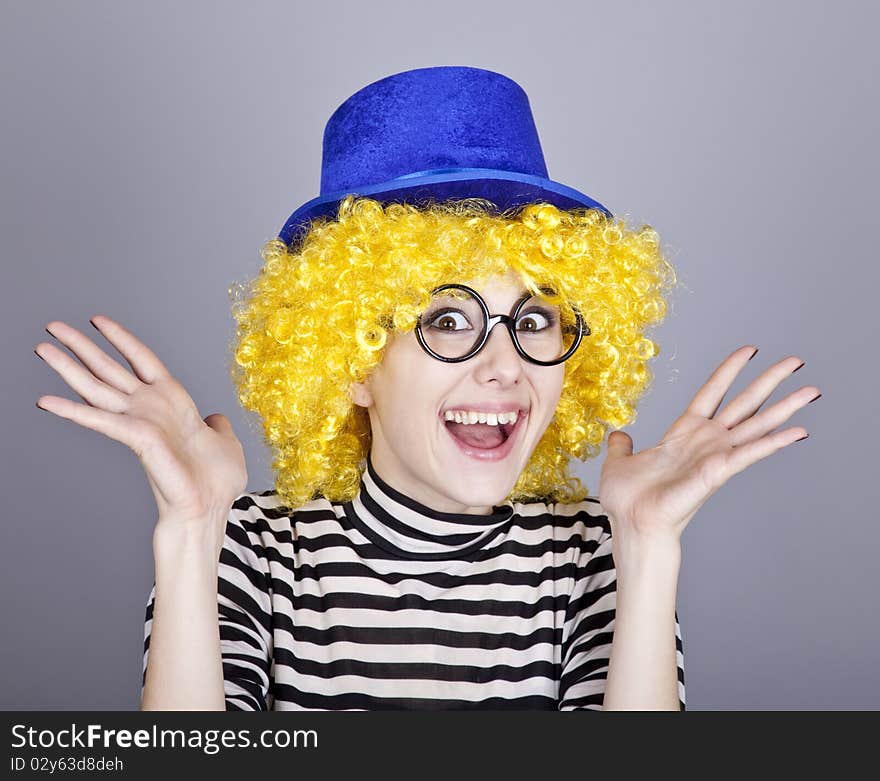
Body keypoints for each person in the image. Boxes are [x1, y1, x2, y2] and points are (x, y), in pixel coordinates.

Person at [35, 67, 819, 711]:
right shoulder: (248, 549)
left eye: (537, 319)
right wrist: (191, 531)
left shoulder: (595, 557)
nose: (506, 364)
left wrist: (647, 551)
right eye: (449, 318)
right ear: (352, 358)